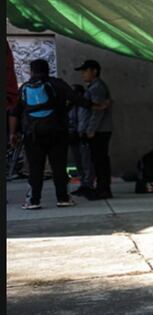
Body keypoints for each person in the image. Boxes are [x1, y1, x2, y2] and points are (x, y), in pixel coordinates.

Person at [9, 59, 96, 209]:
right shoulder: (57, 84)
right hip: (57, 133)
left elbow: (14, 113)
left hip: (32, 134)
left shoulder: (24, 88)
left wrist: (12, 134)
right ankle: (63, 198)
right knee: (59, 167)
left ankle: (33, 201)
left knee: (35, 168)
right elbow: (76, 98)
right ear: (48, 70)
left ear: (32, 71)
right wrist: (95, 106)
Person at [76, 59, 114, 200]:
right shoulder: (93, 87)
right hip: (97, 130)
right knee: (97, 160)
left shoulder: (97, 87)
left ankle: (104, 189)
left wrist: (90, 130)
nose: (83, 74)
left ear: (94, 71)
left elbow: (98, 111)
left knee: (100, 161)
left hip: (99, 131)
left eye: (85, 71)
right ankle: (101, 188)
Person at [67, 83, 94, 196]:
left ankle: (88, 184)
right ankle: (83, 184)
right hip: (74, 136)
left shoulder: (83, 106)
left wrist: (82, 133)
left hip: (82, 136)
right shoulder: (70, 106)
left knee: (86, 162)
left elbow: (83, 121)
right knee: (79, 162)